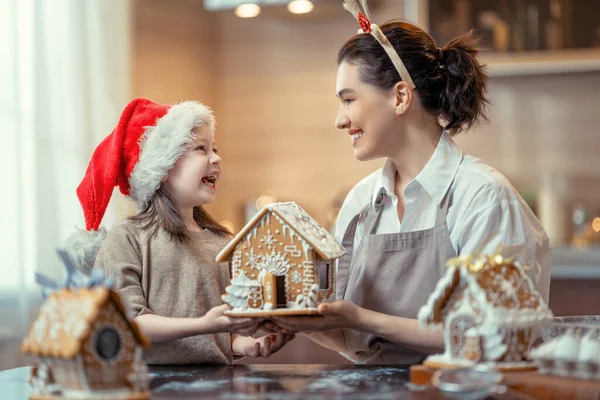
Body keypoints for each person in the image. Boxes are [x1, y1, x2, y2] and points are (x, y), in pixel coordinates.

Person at [266, 5, 551, 364]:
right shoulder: (359, 203)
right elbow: (347, 335)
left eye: (349, 100)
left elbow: (495, 334)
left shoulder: (482, 196)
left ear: (400, 97)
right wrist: (295, 320)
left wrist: (363, 318)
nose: (340, 120)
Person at [65, 98, 294, 364]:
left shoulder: (222, 242)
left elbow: (222, 332)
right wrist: (202, 324)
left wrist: (248, 343)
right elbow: (125, 323)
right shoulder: (126, 239)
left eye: (215, 149)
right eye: (201, 149)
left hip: (216, 388)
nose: (217, 158)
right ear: (162, 168)